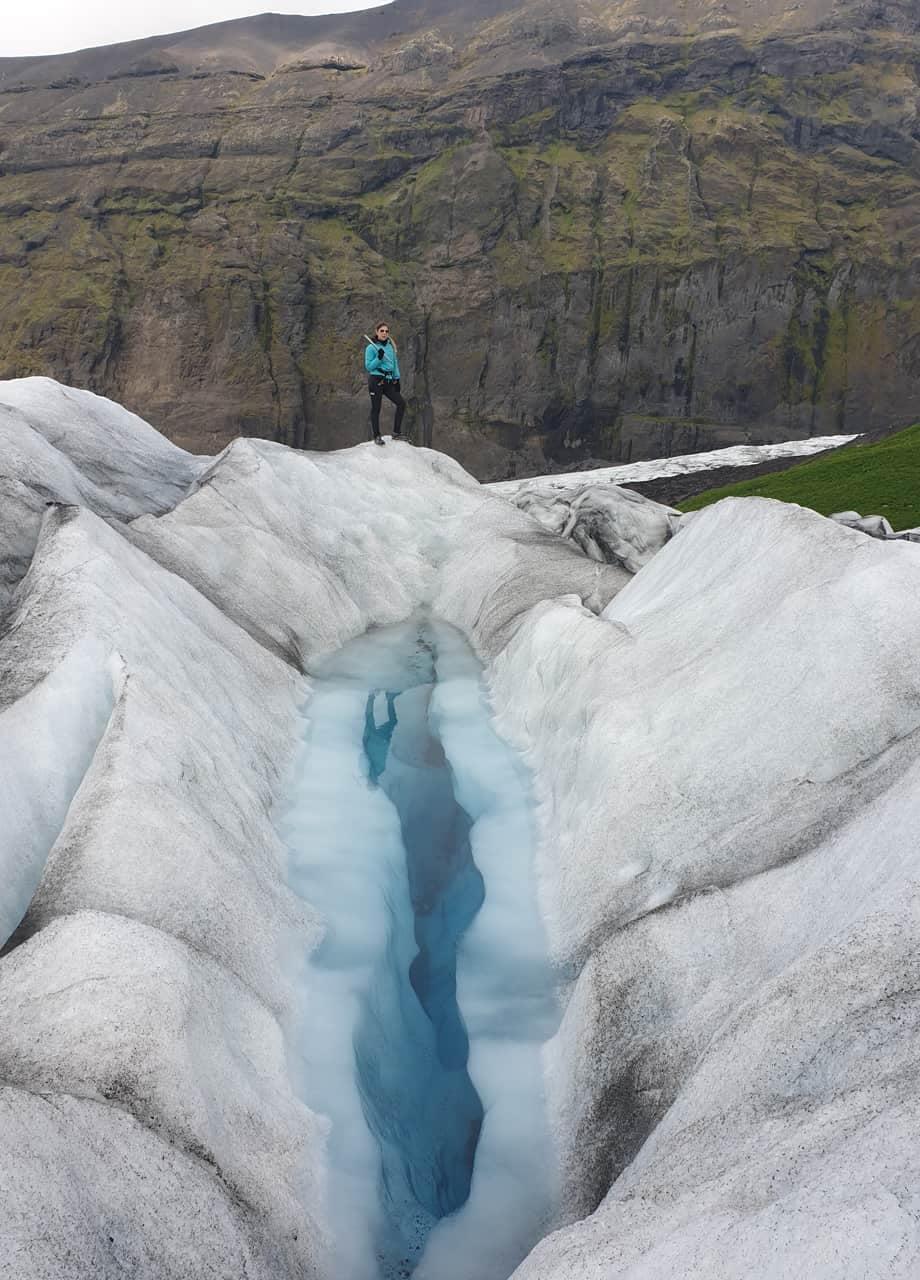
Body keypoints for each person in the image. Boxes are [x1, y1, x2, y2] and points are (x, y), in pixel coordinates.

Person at [365, 322, 407, 445]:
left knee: (401, 403)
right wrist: (379, 358)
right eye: (382, 331)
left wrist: (397, 378)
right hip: (376, 380)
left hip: (388, 381)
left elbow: (394, 364)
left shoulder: (390, 346)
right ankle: (377, 436)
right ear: (377, 332)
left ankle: (396, 433)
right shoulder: (371, 348)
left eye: (386, 331)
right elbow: (368, 366)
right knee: (376, 408)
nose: (384, 333)